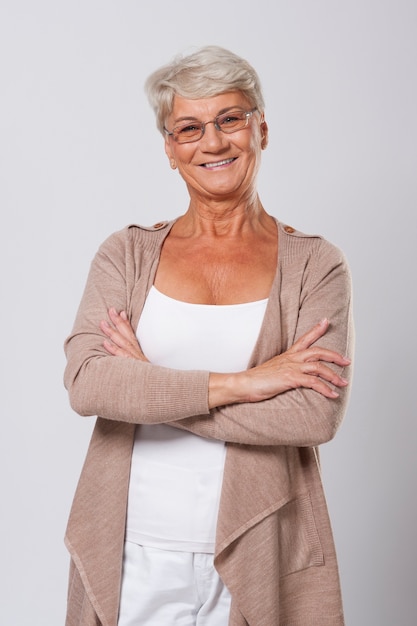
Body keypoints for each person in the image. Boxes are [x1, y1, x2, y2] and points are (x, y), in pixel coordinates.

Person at [63, 45, 354, 626]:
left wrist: (147, 387)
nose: (213, 143)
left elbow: (311, 418)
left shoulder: (315, 266)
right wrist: (247, 384)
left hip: (261, 543)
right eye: (189, 128)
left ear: (261, 128)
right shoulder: (126, 254)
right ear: (170, 150)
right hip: (131, 549)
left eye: (230, 119)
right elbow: (88, 383)